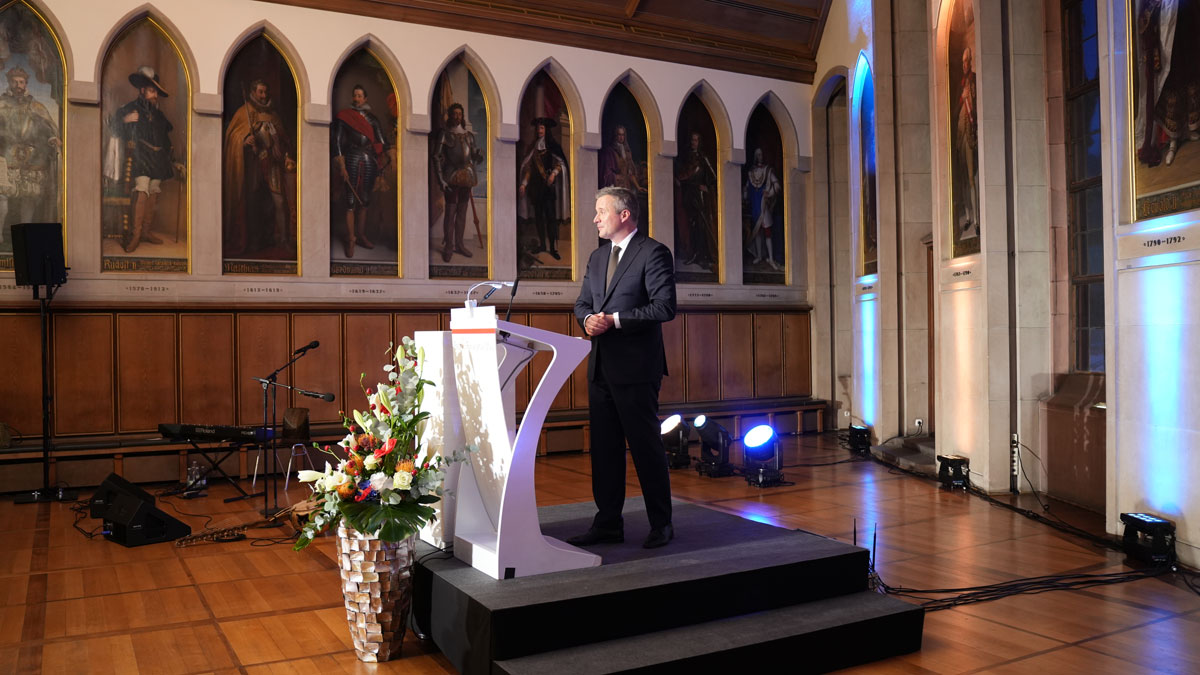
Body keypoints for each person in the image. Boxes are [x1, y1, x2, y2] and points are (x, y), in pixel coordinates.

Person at [570, 186, 677, 550]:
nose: (595, 219)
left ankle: (661, 524)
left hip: (636, 369)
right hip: (600, 367)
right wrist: (587, 320)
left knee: (646, 449)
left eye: (601, 212)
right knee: (604, 451)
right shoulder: (597, 257)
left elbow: (664, 307)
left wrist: (613, 320)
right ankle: (608, 524)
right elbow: (582, 304)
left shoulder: (653, 252)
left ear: (624, 214)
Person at [104, 66, 184, 253]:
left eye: (155, 91)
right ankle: (136, 235)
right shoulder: (128, 109)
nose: (155, 95)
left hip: (158, 158)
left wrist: (174, 160)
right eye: (151, 91)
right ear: (142, 90)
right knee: (142, 190)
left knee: (154, 190)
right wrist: (125, 120)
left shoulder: (158, 115)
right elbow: (113, 128)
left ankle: (146, 232)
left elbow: (165, 139)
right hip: (139, 156)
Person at [222, 79, 296, 257]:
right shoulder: (244, 112)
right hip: (253, 166)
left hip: (273, 166)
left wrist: (280, 147)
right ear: (253, 92)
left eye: (265, 92)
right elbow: (233, 137)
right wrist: (244, 140)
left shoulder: (273, 115)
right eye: (260, 92)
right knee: (252, 203)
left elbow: (285, 139)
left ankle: (282, 240)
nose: (263, 96)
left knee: (278, 202)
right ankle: (253, 241)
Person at [0, 65, 60, 244]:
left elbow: (48, 127)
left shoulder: (35, 106)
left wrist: (52, 138)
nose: (18, 85)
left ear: (26, 84)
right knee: (2, 195)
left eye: (21, 82)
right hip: (6, 155)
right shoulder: (1, 104)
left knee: (29, 196)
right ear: (9, 83)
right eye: (14, 82)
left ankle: (24, 235)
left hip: (31, 157)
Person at [332, 84, 389, 258]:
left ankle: (361, 235)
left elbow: (381, 142)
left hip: (369, 161)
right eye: (355, 95)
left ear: (365, 99)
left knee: (364, 200)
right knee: (350, 201)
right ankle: (351, 239)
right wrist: (342, 165)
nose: (357, 99)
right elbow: (337, 141)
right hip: (351, 158)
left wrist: (383, 153)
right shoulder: (344, 116)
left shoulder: (373, 119)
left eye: (360, 96)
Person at [431, 102, 483, 262]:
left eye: (459, 114)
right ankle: (449, 246)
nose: (457, 117)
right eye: (454, 114)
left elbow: (473, 155)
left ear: (462, 116)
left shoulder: (469, 136)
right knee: (450, 212)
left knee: (462, 212)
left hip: (467, 176)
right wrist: (441, 180)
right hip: (451, 176)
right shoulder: (445, 134)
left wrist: (478, 155)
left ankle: (459, 244)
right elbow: (436, 157)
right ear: (450, 116)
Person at [519, 116, 567, 260]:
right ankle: (542, 245)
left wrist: (553, 174)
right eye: (538, 128)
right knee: (539, 217)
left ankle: (552, 248)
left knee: (551, 218)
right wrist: (524, 184)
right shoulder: (533, 148)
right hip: (536, 188)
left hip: (548, 189)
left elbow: (560, 164)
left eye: (541, 128)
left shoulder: (552, 146)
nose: (539, 130)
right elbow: (529, 169)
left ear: (546, 130)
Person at [675, 131, 717, 269]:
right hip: (688, 194)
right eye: (692, 140)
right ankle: (692, 254)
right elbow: (681, 175)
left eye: (696, 140)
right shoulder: (686, 157)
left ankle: (702, 255)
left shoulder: (703, 158)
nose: (694, 142)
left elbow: (713, 177)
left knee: (701, 225)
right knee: (690, 224)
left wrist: (707, 187)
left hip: (700, 196)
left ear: (699, 142)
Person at [743, 148, 781, 270]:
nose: (760, 156)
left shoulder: (768, 171)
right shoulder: (751, 172)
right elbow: (747, 188)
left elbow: (777, 186)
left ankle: (771, 258)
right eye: (758, 154)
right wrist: (744, 196)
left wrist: (769, 193)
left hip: (764, 206)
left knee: (767, 231)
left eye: (761, 154)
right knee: (757, 232)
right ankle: (759, 256)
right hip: (754, 206)